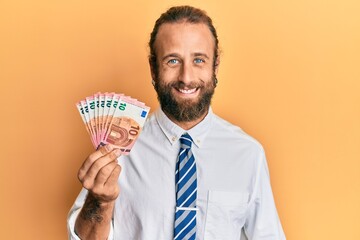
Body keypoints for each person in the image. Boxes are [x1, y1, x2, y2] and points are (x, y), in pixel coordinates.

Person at [67, 5, 286, 240]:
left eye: (199, 60)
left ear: (215, 66)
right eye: (173, 61)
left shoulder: (248, 154)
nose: (186, 77)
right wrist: (100, 201)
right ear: (153, 68)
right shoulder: (117, 148)